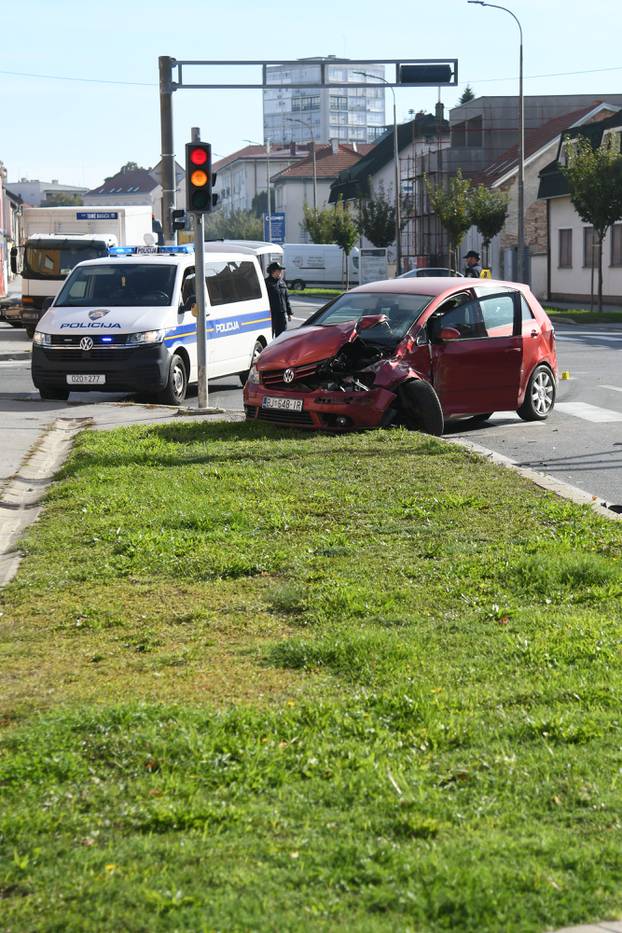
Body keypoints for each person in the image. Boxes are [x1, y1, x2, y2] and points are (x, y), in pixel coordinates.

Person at [265, 261, 292, 338]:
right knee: (270, 334)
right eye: (278, 270)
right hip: (271, 314)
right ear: (273, 271)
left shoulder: (282, 283)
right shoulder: (266, 283)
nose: (280, 272)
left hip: (281, 313)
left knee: (281, 335)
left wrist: (289, 313)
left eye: (281, 270)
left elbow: (286, 298)